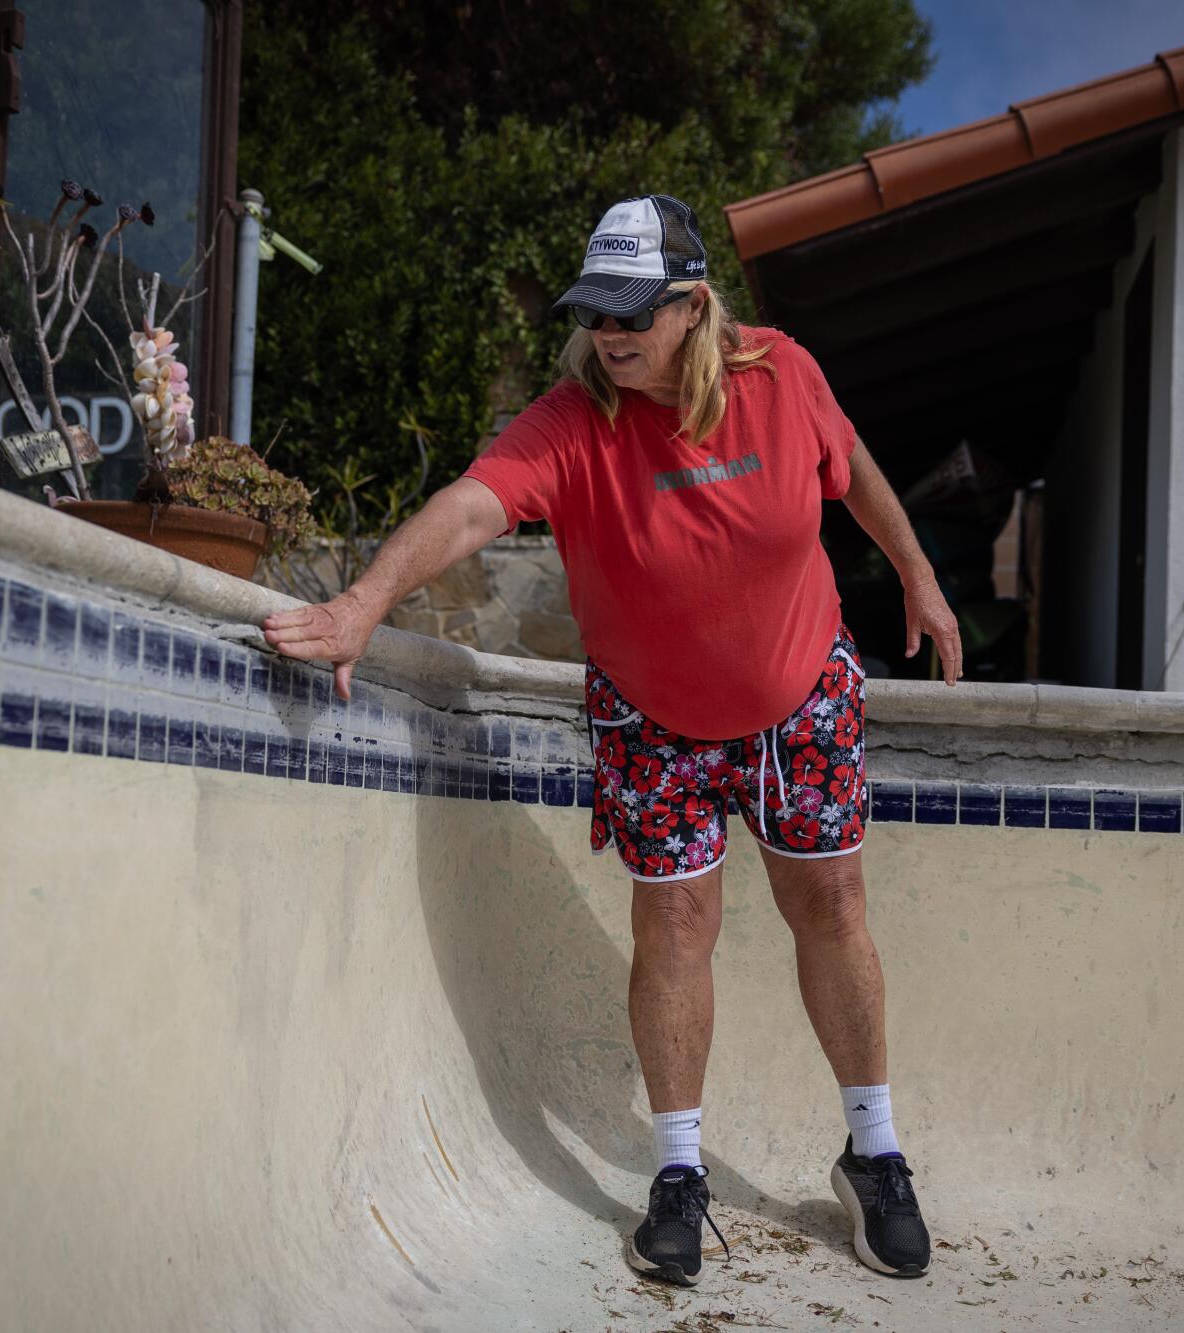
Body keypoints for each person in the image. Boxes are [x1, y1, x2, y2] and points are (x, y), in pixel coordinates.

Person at [261, 194, 963, 1286]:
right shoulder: (570, 420)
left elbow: (852, 464)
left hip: (800, 691)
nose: (610, 333)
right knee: (674, 921)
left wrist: (915, 570)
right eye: (595, 311)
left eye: (633, 313)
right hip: (652, 714)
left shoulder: (782, 375)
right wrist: (361, 604)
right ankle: (676, 1174)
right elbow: (468, 506)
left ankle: (872, 1151)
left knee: (828, 904)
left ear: (692, 306)